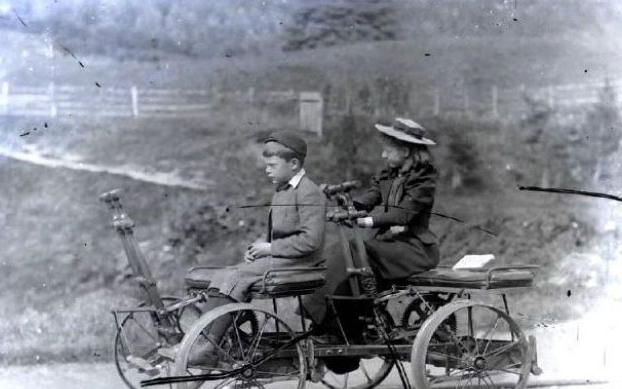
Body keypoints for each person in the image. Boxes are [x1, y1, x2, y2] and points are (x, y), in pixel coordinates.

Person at [161, 130, 326, 364]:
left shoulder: (310, 193)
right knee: (226, 274)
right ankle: (205, 341)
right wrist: (259, 244)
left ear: (293, 163)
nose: (267, 169)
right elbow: (275, 232)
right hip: (283, 258)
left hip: (302, 263)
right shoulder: (282, 191)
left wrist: (270, 248)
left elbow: (311, 241)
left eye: (272, 165)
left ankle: (207, 345)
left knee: (237, 277)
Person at [302, 117, 439, 345]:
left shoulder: (424, 180)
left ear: (405, 151)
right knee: (339, 253)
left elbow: (402, 214)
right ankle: (330, 320)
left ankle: (339, 324)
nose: (383, 156)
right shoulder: (388, 174)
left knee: (356, 249)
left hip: (415, 249)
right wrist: (346, 206)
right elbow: (369, 198)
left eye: (387, 151)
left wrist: (364, 221)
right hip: (389, 244)